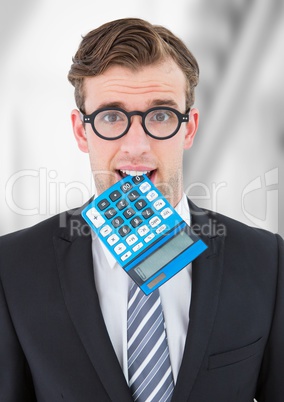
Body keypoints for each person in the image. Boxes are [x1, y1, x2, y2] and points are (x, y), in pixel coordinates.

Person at [0, 17, 283, 402]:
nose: (137, 145)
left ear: (189, 128)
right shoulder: (12, 267)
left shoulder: (268, 262)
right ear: (82, 131)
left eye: (161, 115)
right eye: (111, 116)